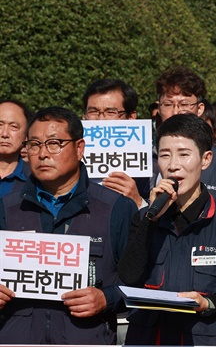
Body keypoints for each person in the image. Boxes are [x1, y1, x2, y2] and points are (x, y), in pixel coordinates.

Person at [0, 107, 138, 344]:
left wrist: (107, 298)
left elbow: (138, 283)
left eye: (54, 143)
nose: (43, 153)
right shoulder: (6, 207)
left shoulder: (117, 208)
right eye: (34, 144)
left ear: (79, 148)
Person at [118, 114, 216, 345]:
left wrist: (208, 303)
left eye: (183, 154)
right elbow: (128, 276)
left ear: (205, 159)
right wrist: (151, 221)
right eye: (164, 155)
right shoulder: (144, 218)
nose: (173, 165)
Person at [156, 66, 216, 214]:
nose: (176, 111)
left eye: (184, 104)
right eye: (168, 104)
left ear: (200, 108)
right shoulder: (139, 156)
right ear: (159, 108)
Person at [82, 78, 152, 208]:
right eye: (93, 111)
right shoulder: (71, 163)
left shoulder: (152, 171)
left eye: (110, 112)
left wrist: (138, 202)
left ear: (131, 117)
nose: (101, 119)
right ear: (83, 116)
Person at [0, 99, 31, 199]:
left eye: (13, 127)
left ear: (26, 136)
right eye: (0, 125)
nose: (4, 134)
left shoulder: (37, 180)